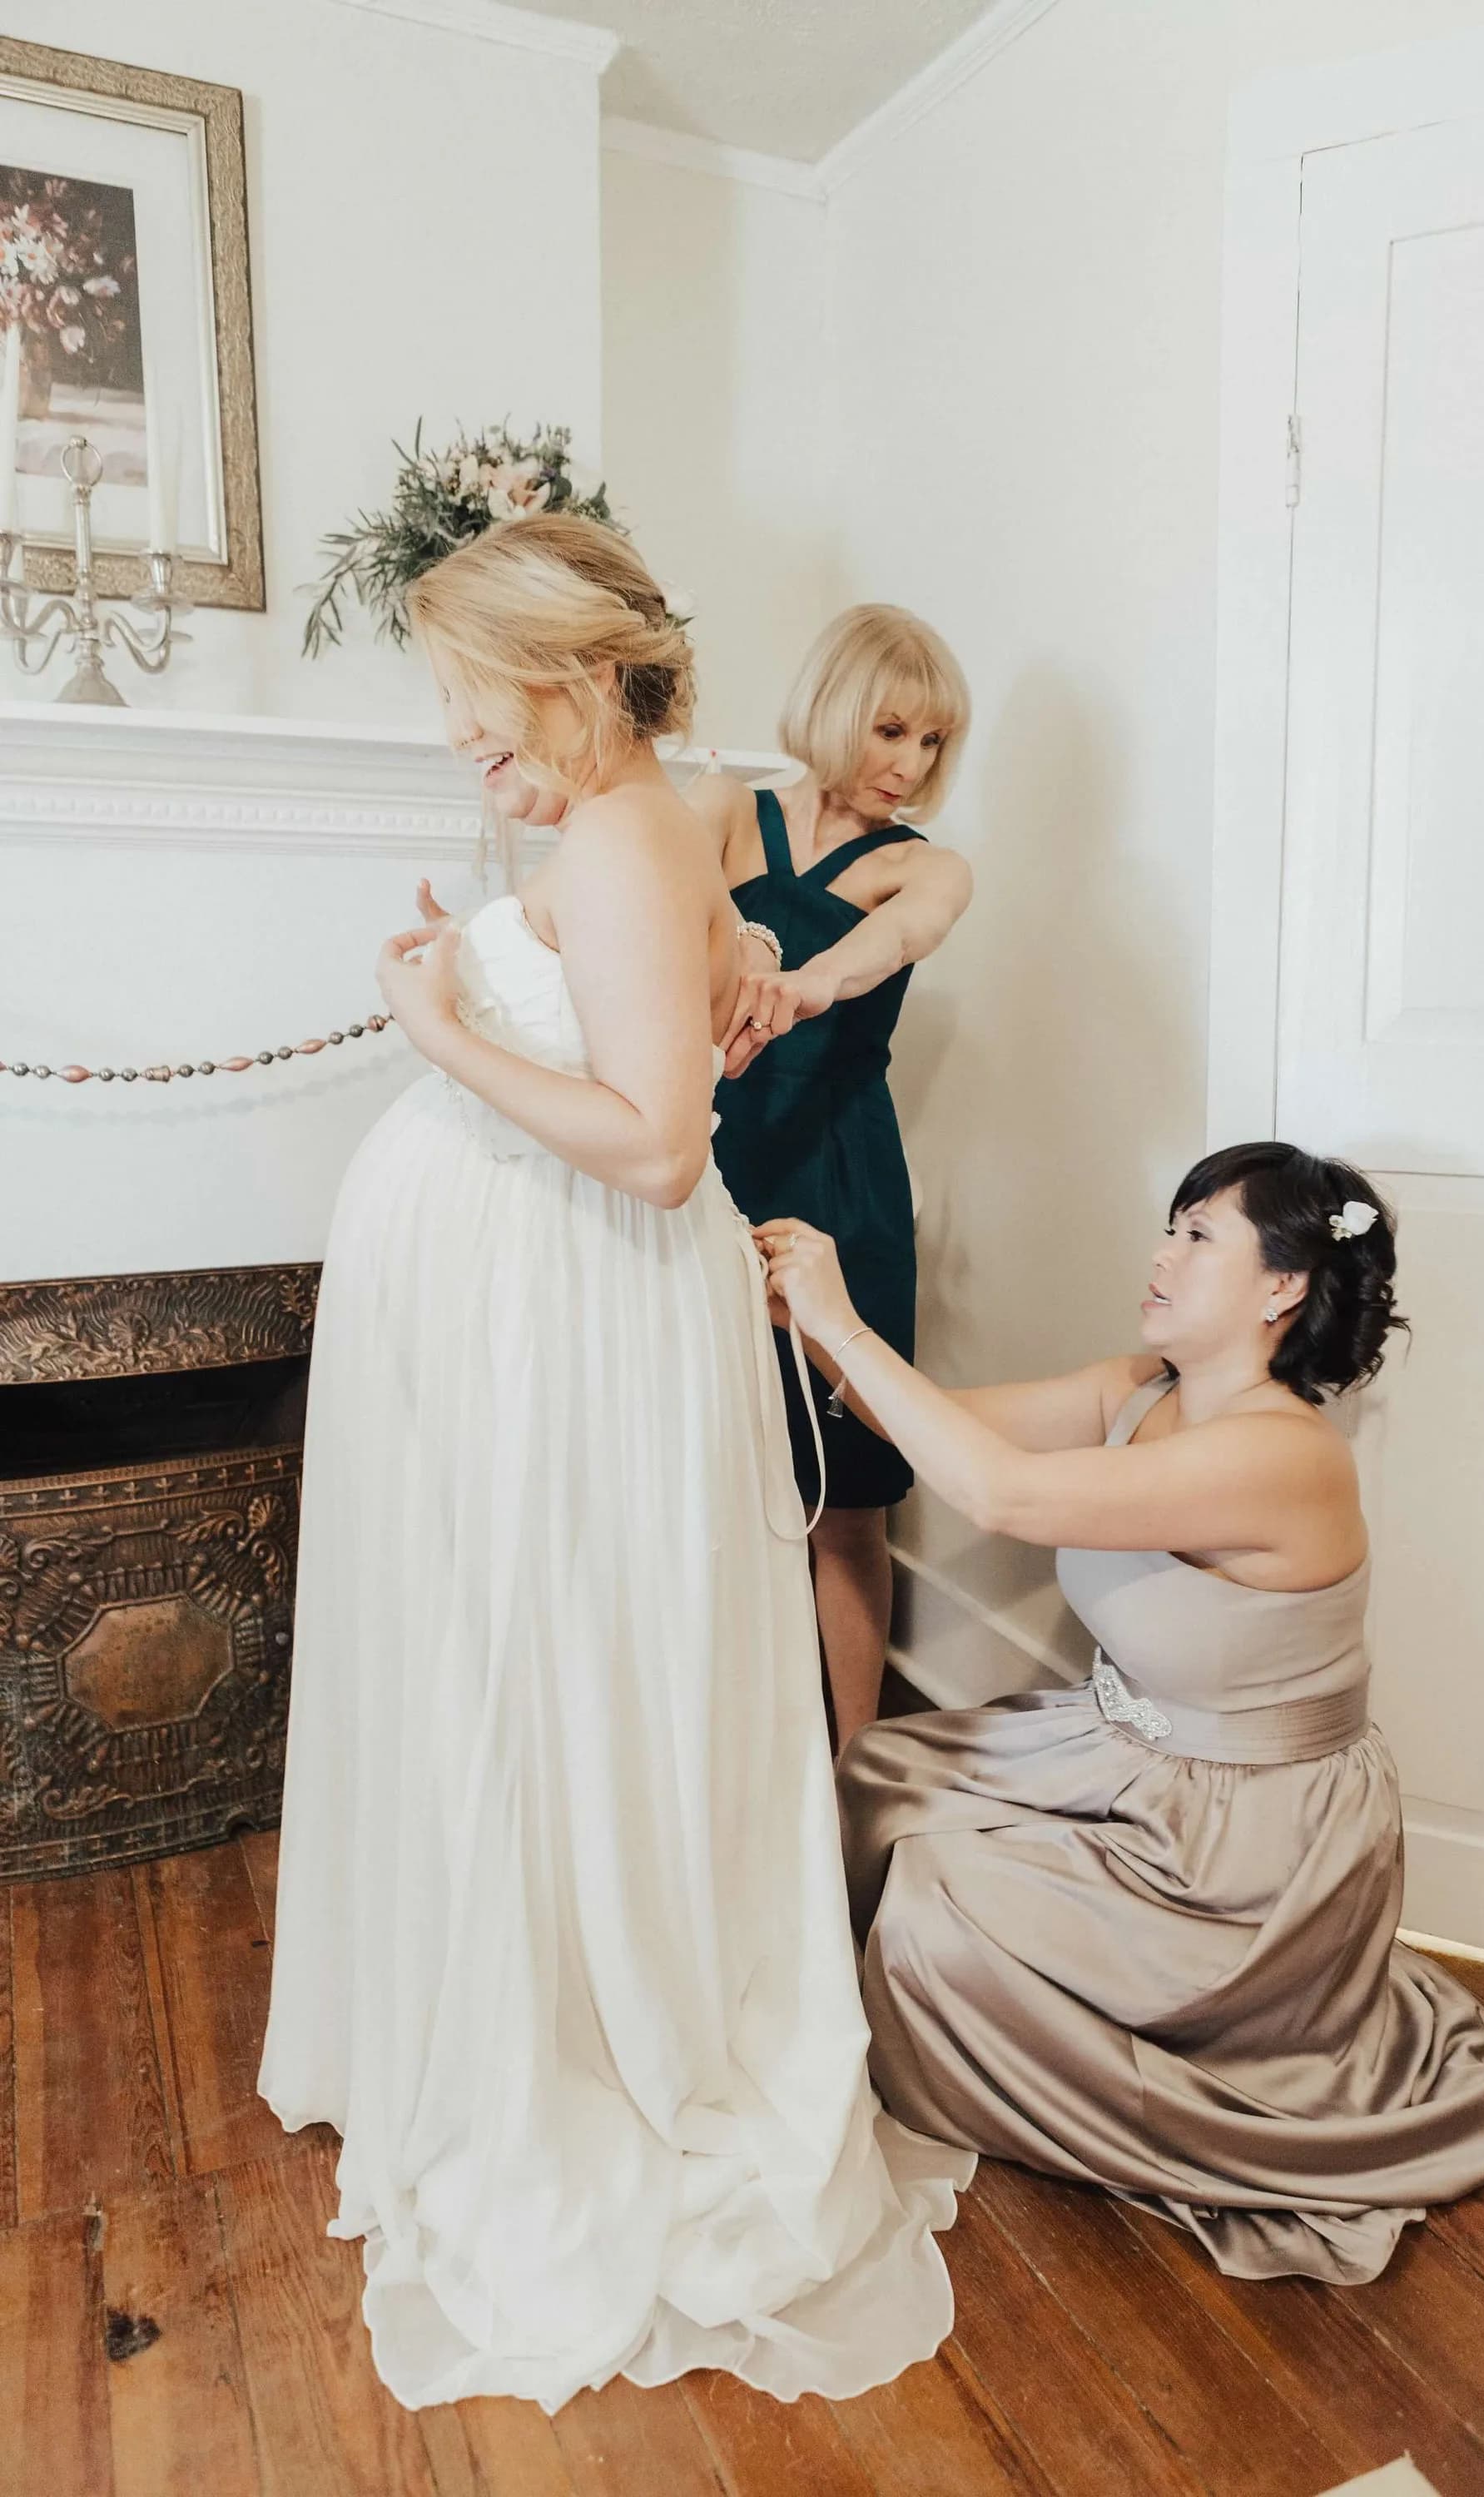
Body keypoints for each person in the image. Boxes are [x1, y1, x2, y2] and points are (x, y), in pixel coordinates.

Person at [257, 513, 971, 2415]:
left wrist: (437, 1027)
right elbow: (664, 1024)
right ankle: (512, 2009)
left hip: (579, 1313)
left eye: (485, 720)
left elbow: (657, 1148)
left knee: (561, 1668)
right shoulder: (649, 837)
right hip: (537, 1319)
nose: (469, 757)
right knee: (526, 1666)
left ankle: (580, 2046)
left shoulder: (632, 831)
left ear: (577, 683)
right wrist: (495, 987)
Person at [758, 1142, 1484, 2286]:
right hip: (1125, 1752)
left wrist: (843, 1317)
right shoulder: (1140, 1392)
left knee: (933, 1903)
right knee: (879, 1776)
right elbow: (930, 1427)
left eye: (1199, 1235)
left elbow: (1001, 1493)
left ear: (1282, 1288)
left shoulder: (1282, 1459)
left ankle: (1088, 2063)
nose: (1160, 1255)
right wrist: (801, 1327)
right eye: (1170, 1225)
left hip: (1252, 1846)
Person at [686, 606, 972, 1751]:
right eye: (892, 730)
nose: (909, 765)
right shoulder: (720, 809)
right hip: (703, 1158)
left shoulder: (928, 868)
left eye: (934, 744)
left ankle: (855, 1783)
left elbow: (894, 945)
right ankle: (713, 1749)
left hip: (841, 1177)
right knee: (701, 1472)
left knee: (846, 1497)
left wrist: (807, 983)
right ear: (836, 709)